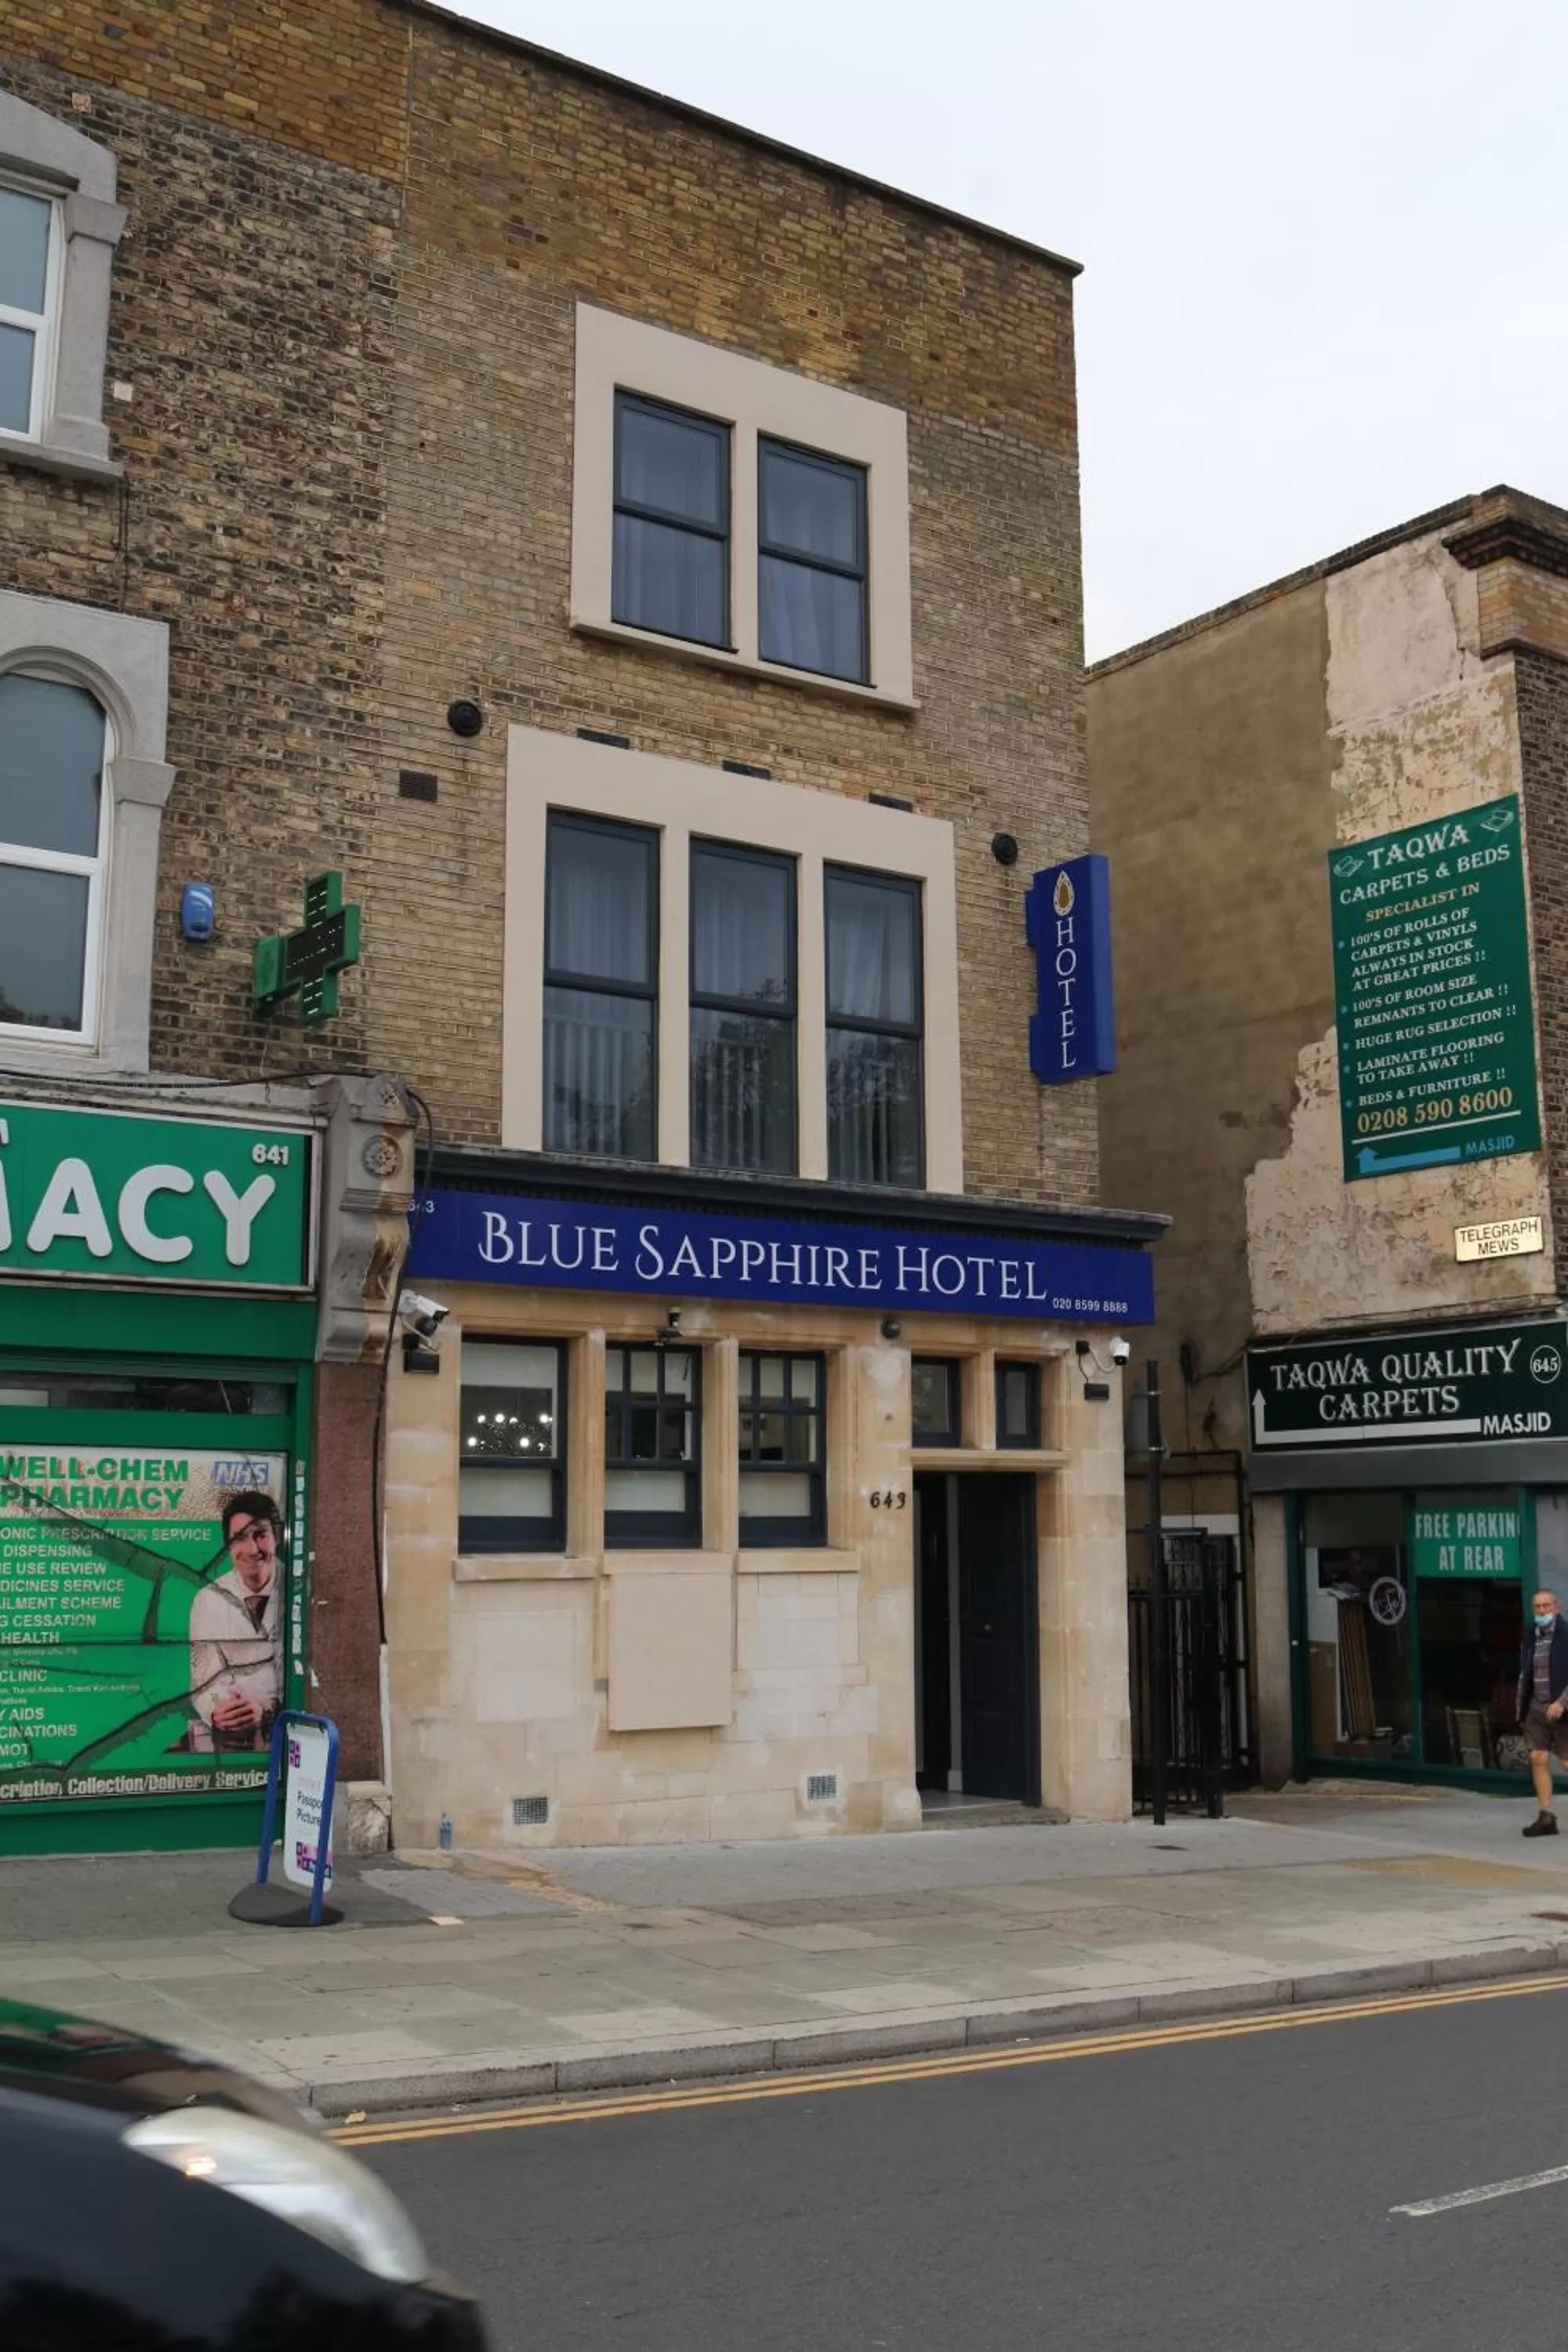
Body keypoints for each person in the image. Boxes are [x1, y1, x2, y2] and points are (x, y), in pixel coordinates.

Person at [188, 1493, 283, 1754]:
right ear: (228, 1546)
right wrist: (217, 1712)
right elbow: (201, 1682)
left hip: (286, 1735)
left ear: (275, 1537)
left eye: (261, 1534)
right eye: (240, 1538)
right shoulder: (208, 1599)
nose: (253, 1549)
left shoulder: (295, 1587)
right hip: (227, 1741)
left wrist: (265, 1710)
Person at [1516, 1587, 1568, 1836]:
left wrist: (1562, 1702)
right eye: (1537, 1607)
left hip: (1562, 1709)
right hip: (1536, 1708)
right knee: (1538, 1758)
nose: (1541, 1611)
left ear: (1556, 1608)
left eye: (1546, 1606)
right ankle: (1546, 1817)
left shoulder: (1566, 1634)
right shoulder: (1530, 1634)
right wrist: (1522, 1704)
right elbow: (1526, 1673)